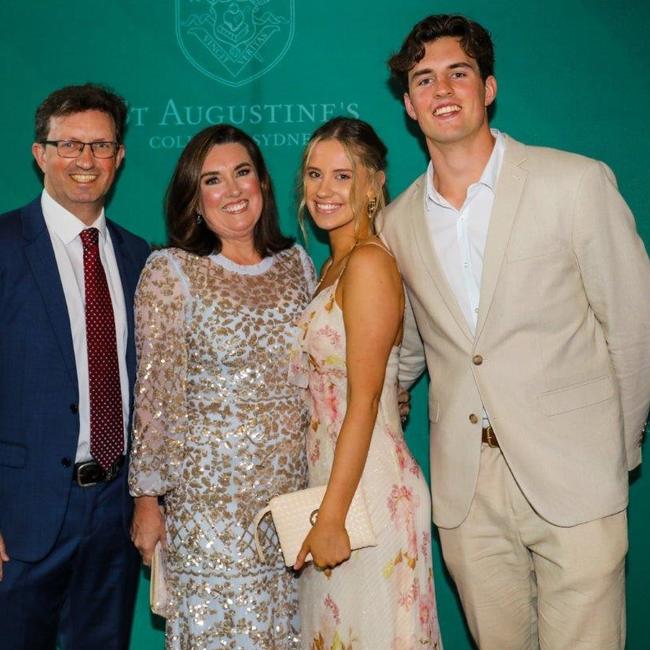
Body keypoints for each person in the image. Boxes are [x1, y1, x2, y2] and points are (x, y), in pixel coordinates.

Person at [379, 13, 650, 650]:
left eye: (458, 73)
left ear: (488, 87)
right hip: (468, 492)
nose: (442, 89)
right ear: (411, 106)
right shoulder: (398, 226)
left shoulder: (574, 183)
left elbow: (635, 327)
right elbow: (407, 349)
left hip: (577, 474)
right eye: (424, 80)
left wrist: (615, 450)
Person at [128, 124, 316, 649]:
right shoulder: (171, 270)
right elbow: (155, 395)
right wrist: (147, 498)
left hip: (289, 503)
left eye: (242, 173)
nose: (232, 191)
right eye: (213, 180)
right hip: (207, 510)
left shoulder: (297, 264)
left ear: (263, 184)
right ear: (195, 198)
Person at [0, 83, 149, 649]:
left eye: (101, 146)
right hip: (20, 518)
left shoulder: (141, 258)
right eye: (69, 145)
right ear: (40, 153)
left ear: (120, 157)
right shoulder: (4, 245)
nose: (85, 161)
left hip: (113, 514)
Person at [291, 117, 442, 649]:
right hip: (332, 485)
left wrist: (331, 517)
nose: (324, 190)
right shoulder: (330, 266)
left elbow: (365, 401)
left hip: (367, 494)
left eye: (342, 176)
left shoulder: (370, 264)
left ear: (375, 184)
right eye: (314, 175)